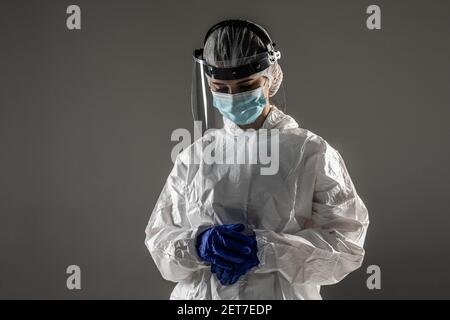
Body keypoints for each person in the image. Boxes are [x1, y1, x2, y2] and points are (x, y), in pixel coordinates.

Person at [145, 19, 369, 300]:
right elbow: (159, 237)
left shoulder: (310, 152)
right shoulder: (195, 156)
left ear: (271, 78)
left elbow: (346, 245)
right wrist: (199, 245)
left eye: (245, 85)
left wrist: (266, 249)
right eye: (221, 87)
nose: (233, 96)